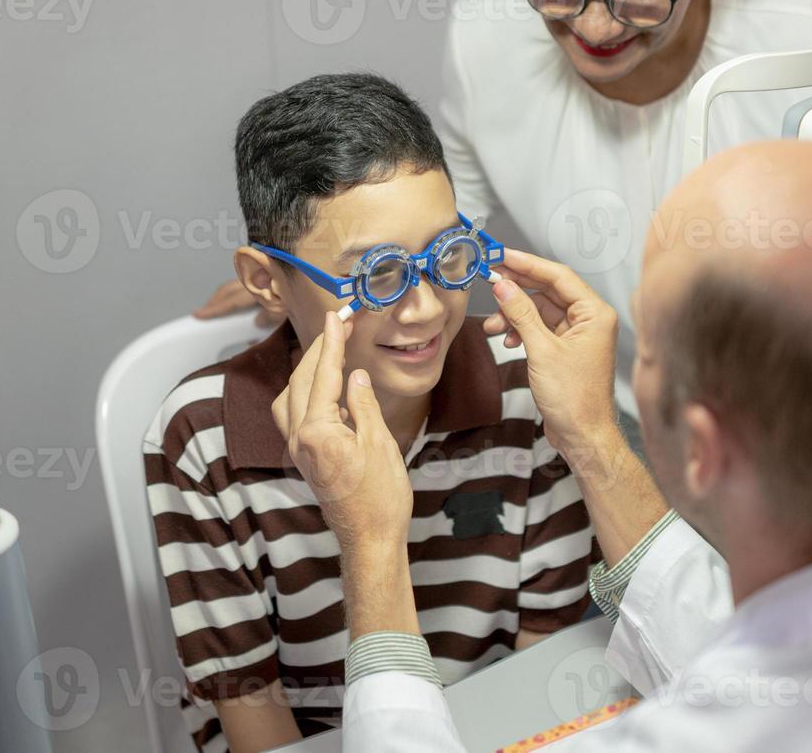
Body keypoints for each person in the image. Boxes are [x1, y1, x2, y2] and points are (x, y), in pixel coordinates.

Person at [278, 139, 812, 751]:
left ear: (700, 449)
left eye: (650, 353)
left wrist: (371, 541)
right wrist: (591, 435)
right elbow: (789, 668)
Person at [198, 0, 812, 432]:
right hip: (616, 397)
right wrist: (307, 275)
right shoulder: (485, 38)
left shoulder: (807, 36)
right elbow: (447, 219)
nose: (596, 28)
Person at [144, 73, 597, 752]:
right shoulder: (203, 437)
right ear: (267, 281)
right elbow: (253, 719)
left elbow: (547, 675)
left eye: (445, 255)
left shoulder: (525, 383)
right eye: (373, 276)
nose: (421, 310)